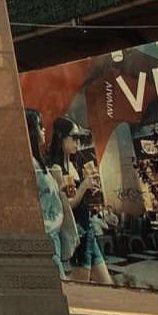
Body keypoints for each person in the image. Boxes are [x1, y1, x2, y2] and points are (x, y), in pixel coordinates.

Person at [48, 117, 110, 284]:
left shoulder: (74, 164)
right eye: (73, 137)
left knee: (106, 282)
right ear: (61, 138)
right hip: (78, 231)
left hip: (87, 226)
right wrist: (83, 186)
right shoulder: (56, 168)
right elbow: (66, 205)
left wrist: (89, 188)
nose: (77, 142)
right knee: (82, 283)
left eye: (79, 138)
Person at [26, 110, 73, 276]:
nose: (44, 130)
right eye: (40, 126)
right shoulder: (30, 164)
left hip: (54, 234)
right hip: (46, 235)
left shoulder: (40, 162)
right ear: (31, 131)